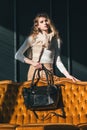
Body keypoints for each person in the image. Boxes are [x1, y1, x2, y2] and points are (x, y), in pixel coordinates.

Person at [15, 13, 78, 82]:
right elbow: (18, 55)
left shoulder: (55, 40)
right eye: (41, 22)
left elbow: (58, 61)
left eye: (46, 21)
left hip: (48, 72)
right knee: (34, 92)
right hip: (33, 73)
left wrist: (68, 75)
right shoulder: (32, 38)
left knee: (50, 91)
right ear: (38, 25)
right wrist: (33, 63)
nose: (45, 23)